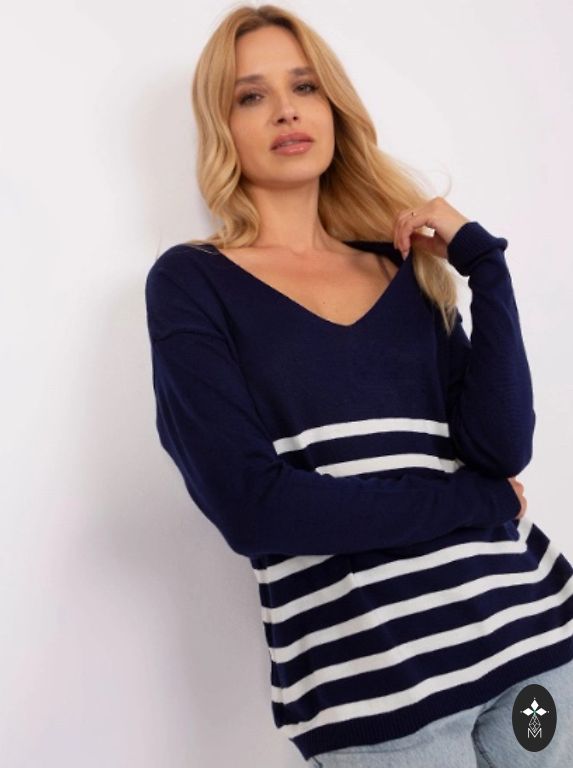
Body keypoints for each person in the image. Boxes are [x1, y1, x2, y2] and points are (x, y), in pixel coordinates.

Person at [144, 4, 573, 765]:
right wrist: (473, 502)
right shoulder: (193, 283)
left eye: (304, 86)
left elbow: (500, 447)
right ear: (222, 126)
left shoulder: (400, 269)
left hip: (531, 640)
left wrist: (486, 267)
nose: (286, 110)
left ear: (333, 107)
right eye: (251, 95)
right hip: (377, 694)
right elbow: (254, 508)